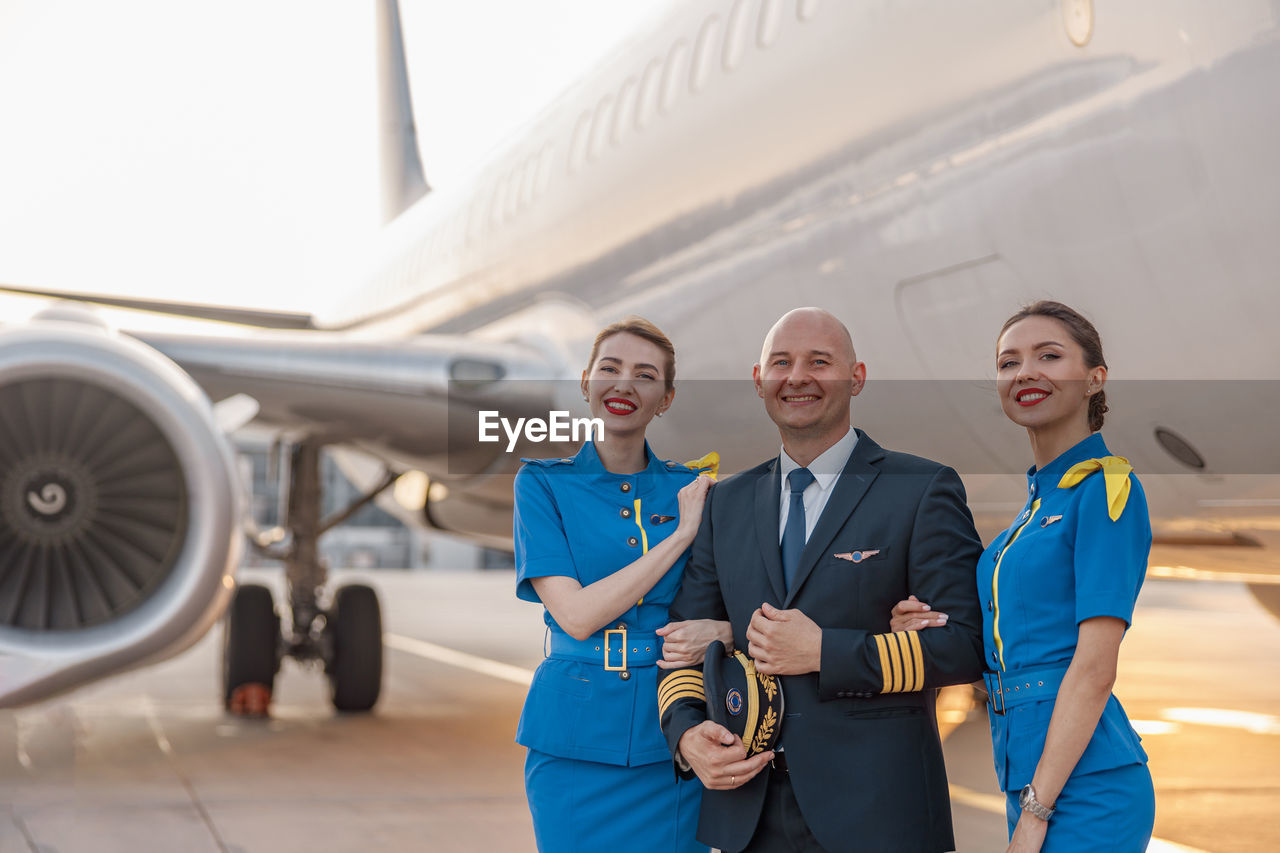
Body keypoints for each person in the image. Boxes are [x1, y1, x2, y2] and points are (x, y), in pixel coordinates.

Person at [658, 307, 986, 853]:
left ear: (856, 377)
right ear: (759, 380)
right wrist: (687, 735)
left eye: (820, 361)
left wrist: (823, 651)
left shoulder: (921, 489)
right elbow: (683, 648)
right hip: (748, 814)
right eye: (781, 362)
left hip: (877, 814)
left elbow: (964, 647)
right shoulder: (727, 504)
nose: (798, 377)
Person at [890, 300, 1155, 852]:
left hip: (1081, 785)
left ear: (1094, 379)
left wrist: (1036, 811)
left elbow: (1094, 668)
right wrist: (926, 624)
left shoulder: (1106, 492)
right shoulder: (1034, 508)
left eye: (1050, 356)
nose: (1025, 372)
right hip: (1031, 773)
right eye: (1009, 362)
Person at [512, 316, 730, 853]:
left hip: (677, 733)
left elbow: (741, 599)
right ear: (585, 382)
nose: (624, 385)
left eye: (645, 375)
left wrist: (722, 629)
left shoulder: (696, 488)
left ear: (667, 398)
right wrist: (678, 537)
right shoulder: (542, 483)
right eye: (609, 369)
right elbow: (578, 616)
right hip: (574, 738)